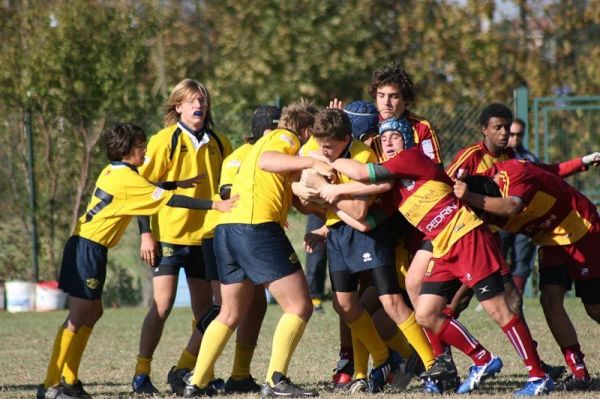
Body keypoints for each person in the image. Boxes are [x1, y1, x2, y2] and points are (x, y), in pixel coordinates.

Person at [321, 129, 555, 396]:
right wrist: (333, 210)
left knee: (500, 310)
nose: (387, 141)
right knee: (425, 313)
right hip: (442, 246)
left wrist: (327, 164)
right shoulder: (394, 188)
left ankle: (538, 376)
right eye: (383, 139)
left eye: (394, 136)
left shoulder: (412, 157)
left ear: (406, 142)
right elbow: (366, 223)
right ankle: (482, 359)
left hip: (466, 235)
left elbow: (363, 174)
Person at [37, 123, 236, 399]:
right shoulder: (127, 179)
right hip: (87, 249)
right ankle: (50, 386)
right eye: (141, 147)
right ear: (128, 150)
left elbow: (148, 187)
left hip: (89, 248)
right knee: (78, 316)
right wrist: (214, 204)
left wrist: (176, 183)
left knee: (93, 312)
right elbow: (167, 201)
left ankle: (69, 380)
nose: (145, 151)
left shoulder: (118, 172)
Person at [182, 100, 330, 398]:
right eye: (314, 137)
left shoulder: (261, 145)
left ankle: (195, 383)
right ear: (304, 130)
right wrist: (312, 161)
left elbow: (295, 199)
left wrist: (331, 213)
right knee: (299, 305)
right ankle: (276, 380)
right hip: (255, 229)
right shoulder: (284, 138)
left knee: (230, 312)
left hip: (227, 231)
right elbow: (269, 162)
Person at [299, 112, 435, 393]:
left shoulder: (361, 157)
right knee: (346, 305)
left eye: (329, 146)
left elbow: (360, 211)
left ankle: (431, 364)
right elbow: (302, 189)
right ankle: (379, 361)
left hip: (368, 235)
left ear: (346, 140)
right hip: (338, 234)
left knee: (391, 303)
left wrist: (326, 191)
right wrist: (317, 191)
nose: (323, 151)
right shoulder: (319, 149)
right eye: (320, 144)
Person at [454, 152, 600, 392]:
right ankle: (579, 372)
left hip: (581, 229)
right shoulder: (487, 211)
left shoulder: (513, 173)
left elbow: (514, 205)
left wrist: (469, 196)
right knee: (550, 300)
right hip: (550, 242)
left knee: (594, 307)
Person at [167, 105, 282, 395]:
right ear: (268, 132)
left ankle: (240, 375)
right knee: (226, 309)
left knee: (256, 305)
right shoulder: (242, 155)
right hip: (223, 233)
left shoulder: (274, 154)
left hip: (249, 233)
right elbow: (228, 189)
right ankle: (184, 368)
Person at [132, 79, 233, 394]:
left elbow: (229, 186)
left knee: (207, 312)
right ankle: (141, 374)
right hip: (169, 238)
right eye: (190, 100)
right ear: (177, 106)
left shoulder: (219, 141)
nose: (197, 105)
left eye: (201, 99)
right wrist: (146, 234)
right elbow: (141, 190)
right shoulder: (164, 141)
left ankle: (196, 371)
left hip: (207, 237)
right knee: (161, 306)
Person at [500, 119, 539, 293]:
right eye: (512, 134)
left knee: (522, 259)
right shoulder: (497, 157)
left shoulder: (530, 159)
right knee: (497, 256)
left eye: (519, 134)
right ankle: (497, 294)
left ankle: (517, 297)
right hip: (501, 217)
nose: (515, 138)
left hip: (525, 216)